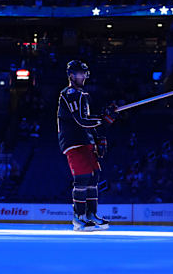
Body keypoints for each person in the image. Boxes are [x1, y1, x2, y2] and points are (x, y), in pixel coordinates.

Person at [57, 60, 117, 231]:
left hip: (85, 140)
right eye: (80, 73)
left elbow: (90, 122)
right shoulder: (69, 94)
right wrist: (103, 119)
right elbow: (81, 121)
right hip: (73, 141)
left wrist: (100, 136)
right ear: (71, 75)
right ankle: (78, 217)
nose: (83, 76)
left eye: (84, 73)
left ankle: (91, 214)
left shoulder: (82, 95)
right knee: (82, 177)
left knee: (94, 175)